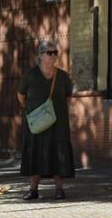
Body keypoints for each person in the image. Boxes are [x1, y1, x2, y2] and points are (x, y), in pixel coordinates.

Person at [16, 38, 75, 200]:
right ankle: (33, 190)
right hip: (36, 122)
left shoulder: (63, 76)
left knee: (59, 153)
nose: (53, 55)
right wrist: (31, 110)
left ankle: (59, 190)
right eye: (49, 52)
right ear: (40, 55)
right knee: (35, 152)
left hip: (58, 123)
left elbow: (68, 97)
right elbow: (21, 96)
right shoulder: (30, 76)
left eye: (55, 52)